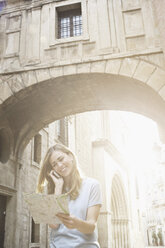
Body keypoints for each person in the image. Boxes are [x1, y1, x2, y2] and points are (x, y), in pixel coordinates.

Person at [37, 143, 102, 248]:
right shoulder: (50, 190)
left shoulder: (92, 185)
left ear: (70, 156)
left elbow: (91, 226)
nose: (59, 165)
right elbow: (53, 225)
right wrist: (58, 187)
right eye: (54, 164)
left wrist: (77, 223)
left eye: (61, 159)